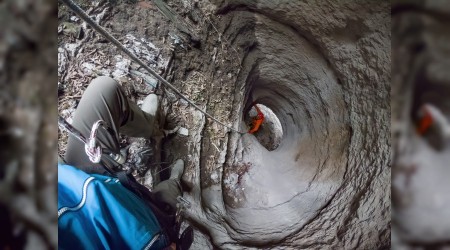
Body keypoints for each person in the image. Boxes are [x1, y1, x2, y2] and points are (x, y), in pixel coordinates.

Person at [58, 76, 187, 249]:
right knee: (166, 200)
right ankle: (175, 183)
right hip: (133, 236)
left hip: (72, 184)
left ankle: (151, 127)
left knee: (104, 90)